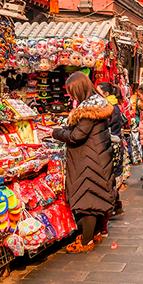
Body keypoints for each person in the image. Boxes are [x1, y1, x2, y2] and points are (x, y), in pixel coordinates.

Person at [52, 72, 115, 253]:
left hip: (89, 160)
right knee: (94, 196)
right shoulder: (97, 104)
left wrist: (56, 132)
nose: (71, 96)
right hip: (97, 156)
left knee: (88, 200)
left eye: (72, 91)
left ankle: (86, 241)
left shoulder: (88, 111)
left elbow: (76, 136)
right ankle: (94, 233)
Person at [97, 81, 125, 220]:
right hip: (112, 144)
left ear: (106, 94)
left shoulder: (110, 109)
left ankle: (113, 207)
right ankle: (115, 206)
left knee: (109, 178)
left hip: (111, 146)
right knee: (110, 178)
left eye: (99, 92)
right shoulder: (111, 107)